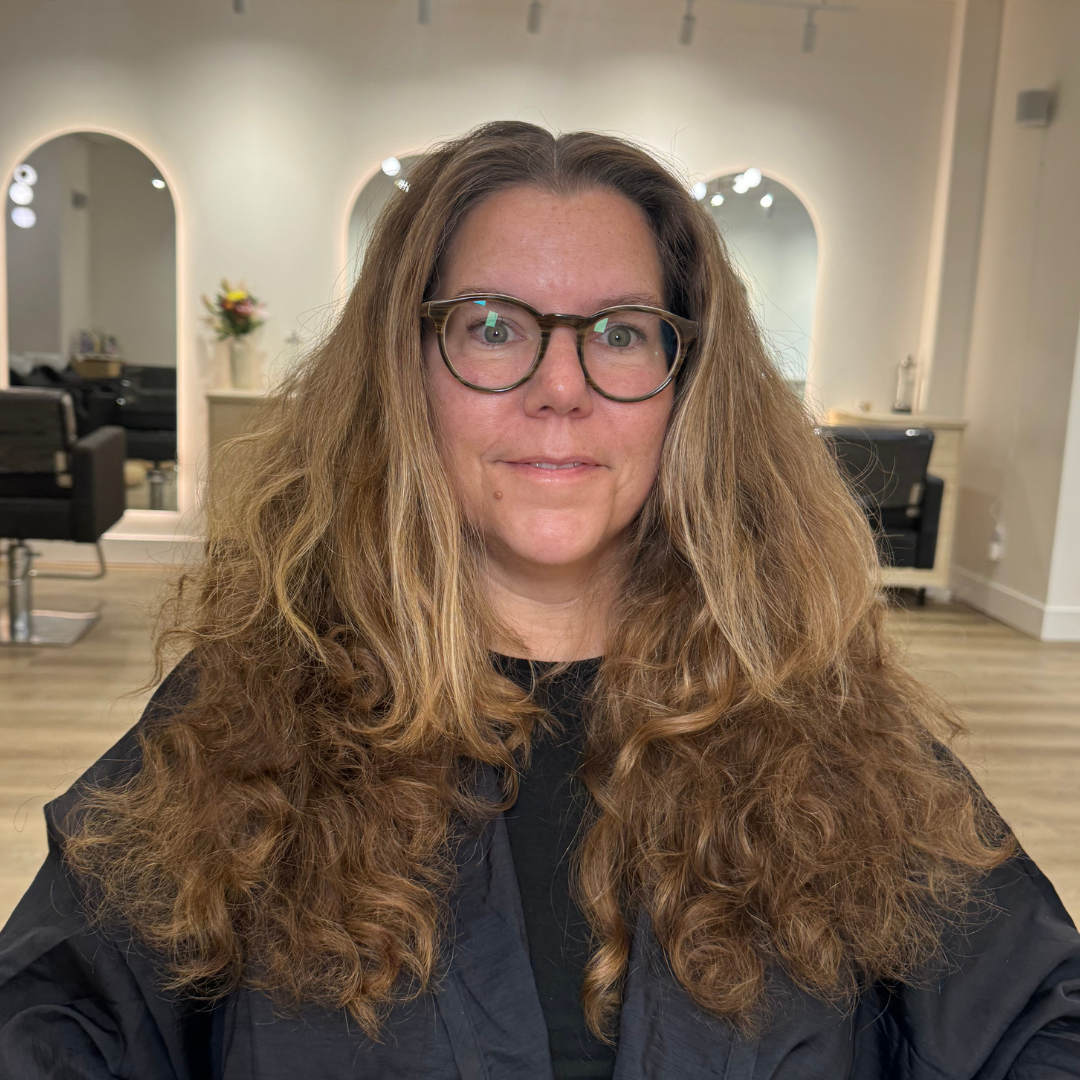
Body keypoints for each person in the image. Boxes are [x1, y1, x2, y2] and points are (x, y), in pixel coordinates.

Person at [0, 121, 1077, 1079]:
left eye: (618, 331)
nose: (560, 388)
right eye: (493, 325)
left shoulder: (826, 723)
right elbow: (57, 1017)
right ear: (406, 369)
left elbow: (1040, 1017)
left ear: (684, 385)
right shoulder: (244, 715)